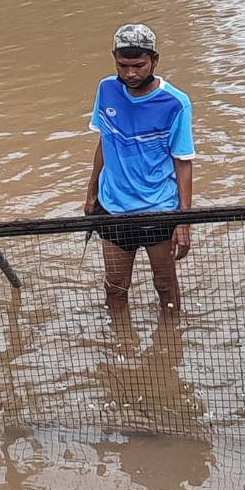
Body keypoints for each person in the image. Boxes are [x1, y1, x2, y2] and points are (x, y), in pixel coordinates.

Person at [84, 23, 195, 312]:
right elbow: (104, 141)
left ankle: (171, 348)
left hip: (157, 208)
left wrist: (183, 221)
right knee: (115, 287)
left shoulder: (176, 103)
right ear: (114, 60)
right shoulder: (107, 89)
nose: (130, 73)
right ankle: (122, 347)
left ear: (154, 60)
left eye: (138, 65)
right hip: (113, 207)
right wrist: (91, 191)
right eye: (123, 65)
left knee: (165, 286)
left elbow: (183, 163)